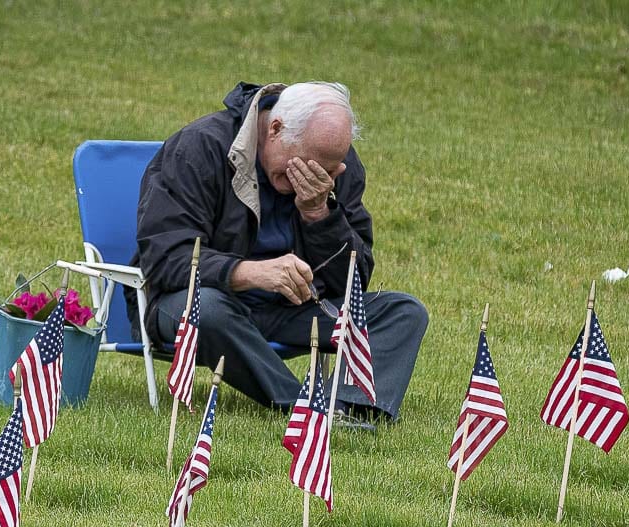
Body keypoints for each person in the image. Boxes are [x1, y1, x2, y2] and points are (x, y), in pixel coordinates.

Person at [130, 81, 428, 424]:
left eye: (327, 172)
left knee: (404, 312)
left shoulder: (334, 165)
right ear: (275, 129)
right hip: (200, 307)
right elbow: (165, 258)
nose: (313, 177)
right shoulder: (199, 148)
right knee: (207, 309)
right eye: (302, 165)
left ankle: (351, 407)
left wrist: (319, 215)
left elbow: (353, 282)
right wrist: (250, 273)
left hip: (292, 310)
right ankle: (302, 407)